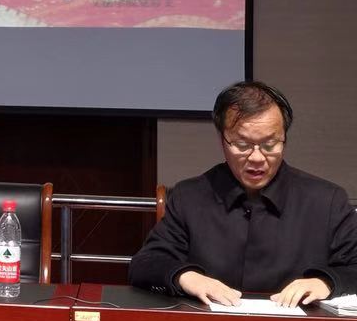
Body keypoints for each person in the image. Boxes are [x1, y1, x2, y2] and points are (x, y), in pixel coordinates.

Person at [129, 81, 357, 308]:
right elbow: (145, 264)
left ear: (284, 140)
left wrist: (326, 282)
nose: (257, 157)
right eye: (242, 144)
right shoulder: (190, 196)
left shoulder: (326, 201)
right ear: (223, 141)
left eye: (270, 144)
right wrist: (186, 277)